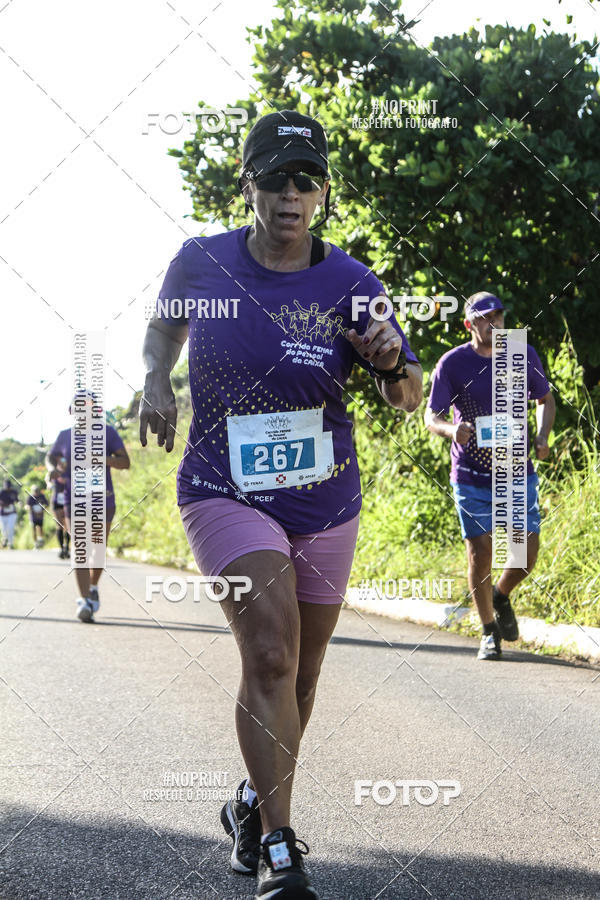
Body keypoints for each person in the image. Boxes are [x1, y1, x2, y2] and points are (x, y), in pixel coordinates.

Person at [140, 109, 422, 899]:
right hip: (223, 488)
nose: (290, 195)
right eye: (275, 179)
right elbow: (162, 333)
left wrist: (393, 359)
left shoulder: (352, 283)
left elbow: (407, 396)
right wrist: (156, 378)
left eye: (306, 181)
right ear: (250, 186)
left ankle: (249, 806)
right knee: (269, 652)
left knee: (299, 679)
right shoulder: (201, 263)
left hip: (325, 501)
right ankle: (281, 848)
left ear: (324, 193)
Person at [425, 292, 555, 660]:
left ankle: (500, 594)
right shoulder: (453, 363)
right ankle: (487, 631)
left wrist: (543, 436)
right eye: (485, 318)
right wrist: (452, 430)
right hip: (471, 475)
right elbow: (430, 415)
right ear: (469, 324)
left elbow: (544, 399)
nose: (494, 323)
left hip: (516, 471)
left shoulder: (521, 353)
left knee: (526, 552)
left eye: (498, 316)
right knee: (479, 553)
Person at [46, 394, 130, 622]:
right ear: (72, 411)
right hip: (75, 500)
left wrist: (102, 459)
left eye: (90, 406)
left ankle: (92, 586)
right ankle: (84, 601)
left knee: (98, 551)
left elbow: (125, 462)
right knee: (81, 548)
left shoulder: (108, 433)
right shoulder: (65, 436)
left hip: (104, 500)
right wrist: (54, 468)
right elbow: (51, 457)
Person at [47, 470, 70, 559]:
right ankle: (61, 549)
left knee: (68, 526)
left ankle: (67, 548)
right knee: (59, 525)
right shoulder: (53, 471)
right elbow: (48, 481)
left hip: (68, 500)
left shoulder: (70, 470)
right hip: (57, 501)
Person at [26, 484, 48, 549]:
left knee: (40, 528)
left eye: (37, 490)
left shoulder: (42, 496)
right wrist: (31, 509)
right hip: (33, 516)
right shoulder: (30, 497)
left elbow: (46, 504)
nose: (36, 492)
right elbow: (27, 506)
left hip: (40, 515)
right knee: (34, 528)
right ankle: (35, 543)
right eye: (35, 491)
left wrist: (42, 510)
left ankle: (40, 540)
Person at [0, 479, 19, 549]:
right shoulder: (1, 492)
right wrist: (4, 505)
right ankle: (5, 539)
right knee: (3, 529)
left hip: (12, 513)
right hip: (3, 514)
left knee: (10, 528)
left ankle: (10, 543)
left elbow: (17, 500)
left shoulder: (14, 492)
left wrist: (19, 503)